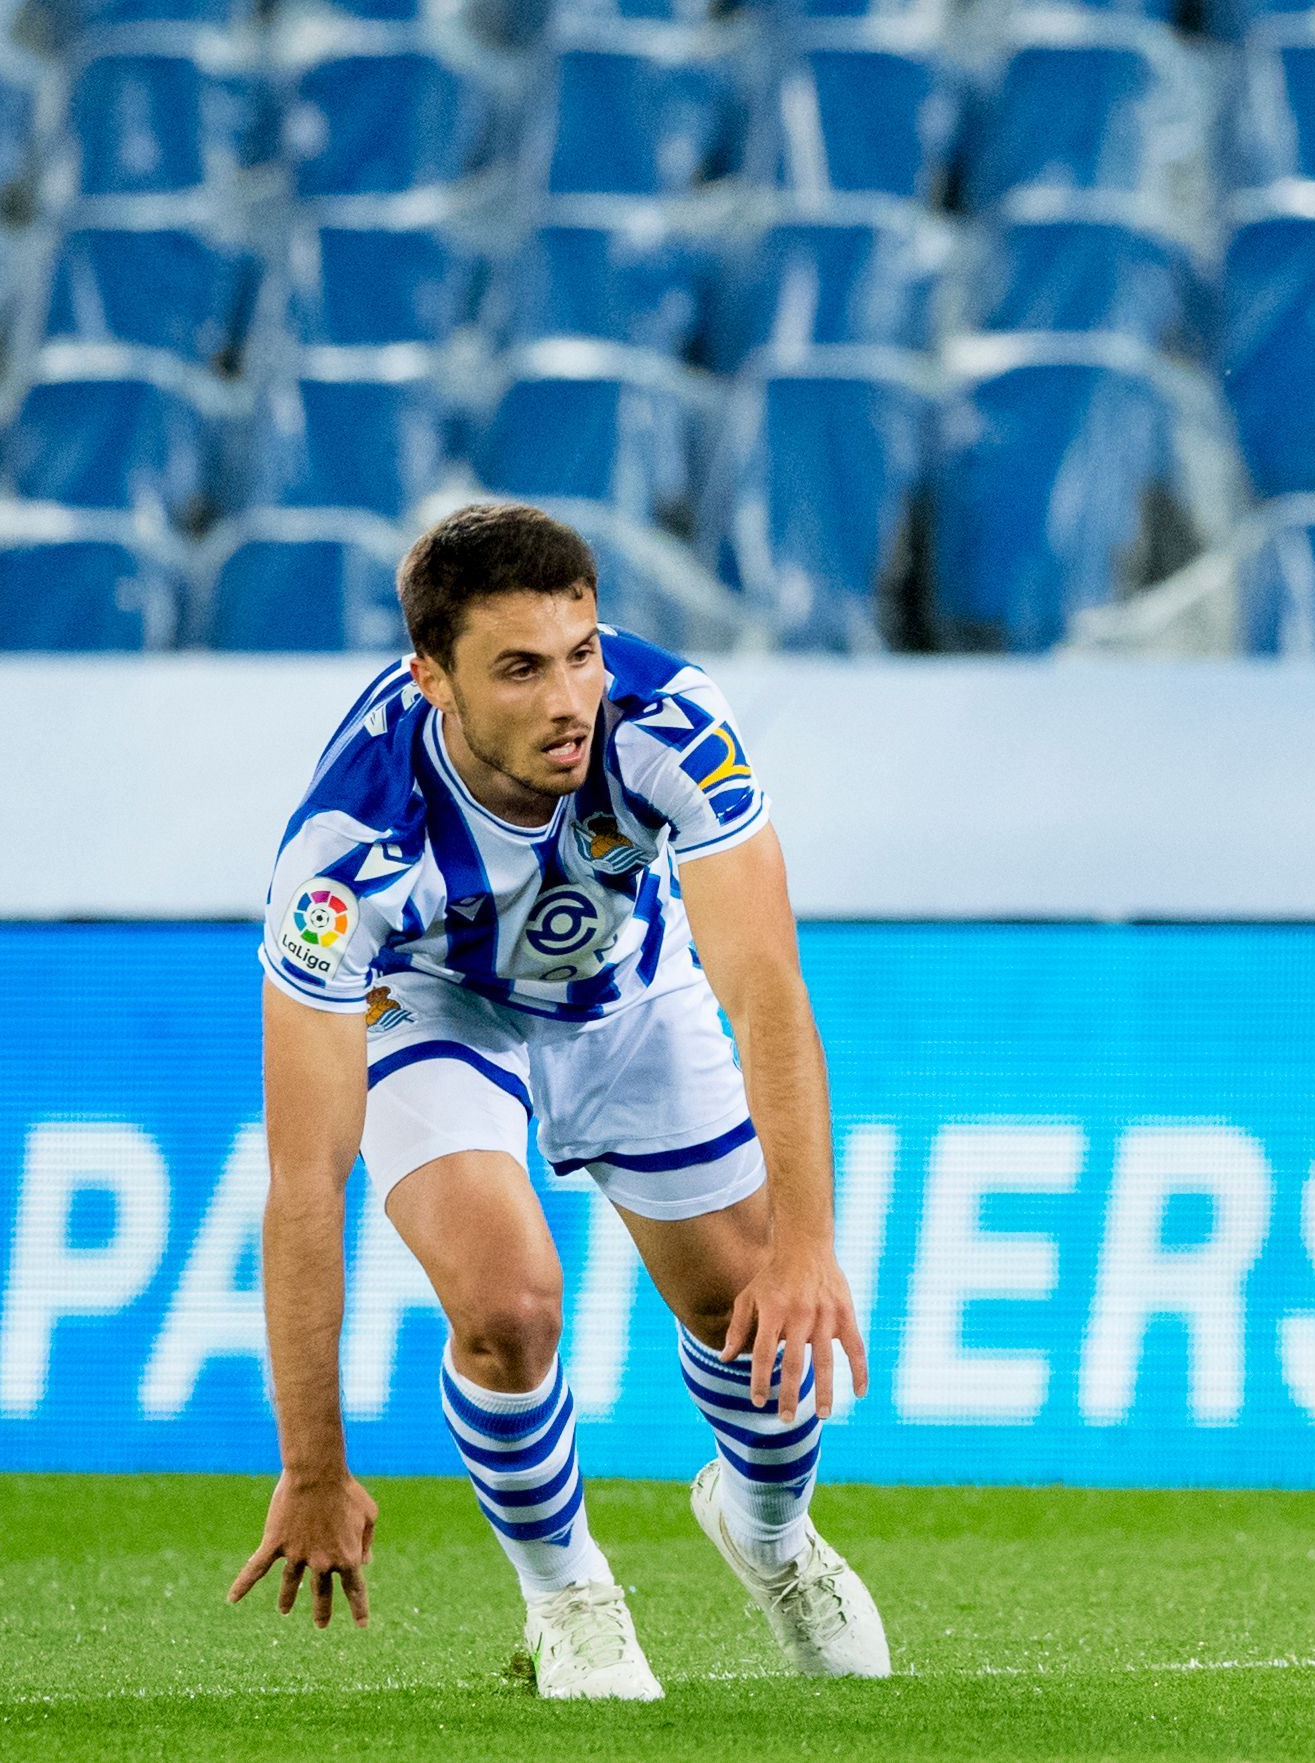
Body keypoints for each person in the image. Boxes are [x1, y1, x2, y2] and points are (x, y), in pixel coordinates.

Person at [226, 502, 888, 1697]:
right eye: (519, 670)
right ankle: (566, 1592)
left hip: (626, 989)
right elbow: (303, 1178)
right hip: (427, 1000)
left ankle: (772, 1536)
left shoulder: (673, 725)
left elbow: (769, 990)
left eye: (579, 654)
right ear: (433, 678)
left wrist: (806, 1243)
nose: (567, 699)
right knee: (510, 1300)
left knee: (755, 1311)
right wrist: (313, 1461)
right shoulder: (341, 852)